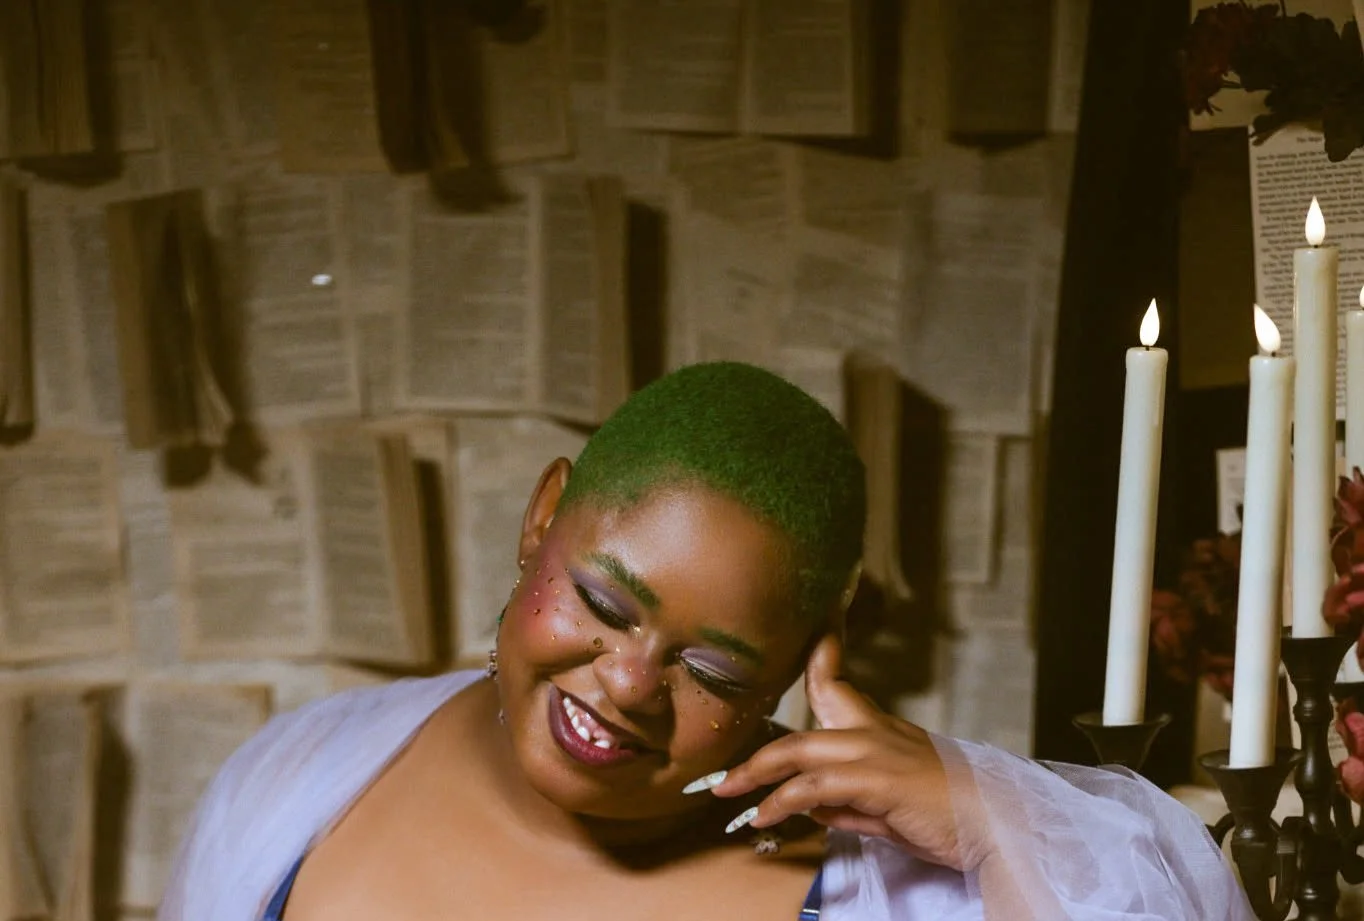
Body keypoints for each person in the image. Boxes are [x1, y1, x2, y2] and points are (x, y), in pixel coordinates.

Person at [159, 361, 1253, 921]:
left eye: (713, 669)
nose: (629, 683)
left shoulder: (903, 892)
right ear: (543, 517)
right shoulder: (298, 781)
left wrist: (983, 813)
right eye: (602, 602)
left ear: (801, 663)